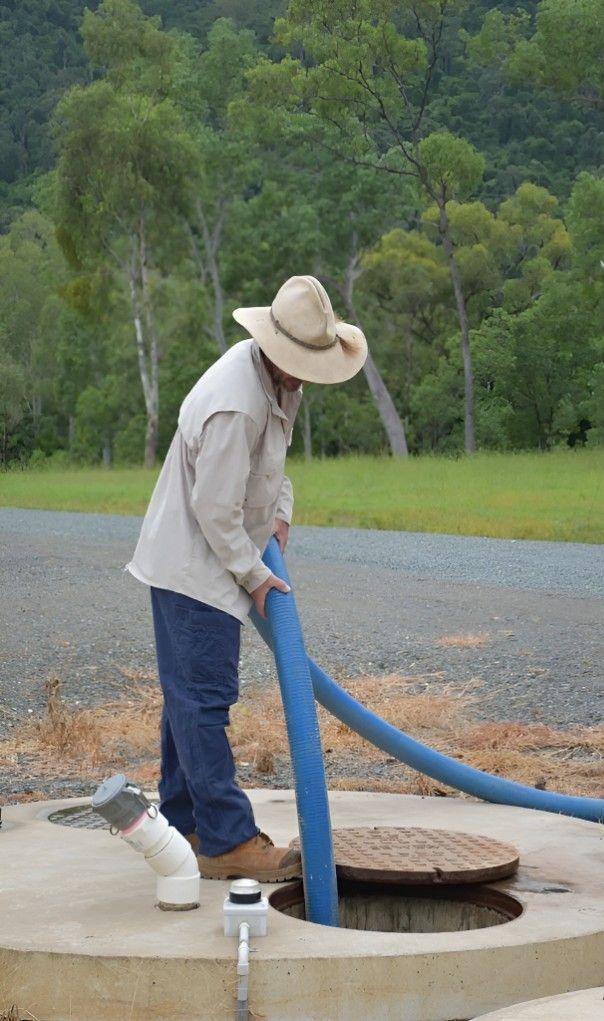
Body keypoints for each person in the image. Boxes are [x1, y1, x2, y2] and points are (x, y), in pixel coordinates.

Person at [126, 275, 368, 882]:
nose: (305, 375)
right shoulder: (235, 402)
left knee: (187, 701)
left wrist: (280, 517)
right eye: (301, 364)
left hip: (213, 560)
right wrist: (257, 575)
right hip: (194, 570)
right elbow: (214, 509)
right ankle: (227, 840)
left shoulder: (278, 377)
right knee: (204, 703)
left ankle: (183, 826)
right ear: (278, 348)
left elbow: (272, 466)